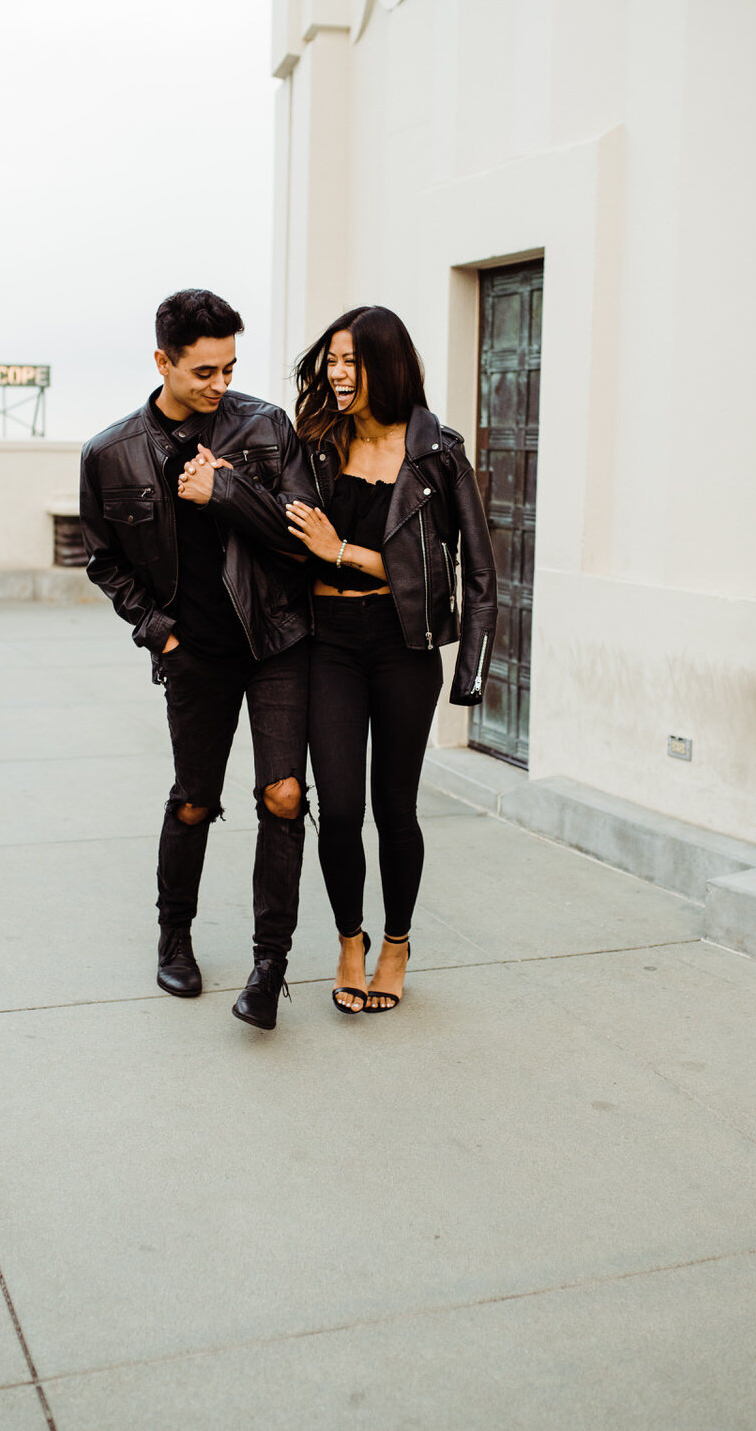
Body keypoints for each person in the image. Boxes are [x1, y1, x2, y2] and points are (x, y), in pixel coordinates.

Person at [80, 289, 317, 1030]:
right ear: (164, 361)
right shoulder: (110, 453)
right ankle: (174, 934)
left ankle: (269, 964)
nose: (221, 385)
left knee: (283, 797)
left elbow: (300, 536)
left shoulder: (266, 427)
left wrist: (227, 493)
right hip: (194, 655)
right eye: (204, 371)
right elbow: (103, 562)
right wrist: (161, 632)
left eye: (230, 368)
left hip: (277, 641)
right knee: (193, 799)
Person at [286, 306, 497, 1014]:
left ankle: (398, 944)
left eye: (352, 361)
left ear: (388, 365)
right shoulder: (315, 442)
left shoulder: (437, 455)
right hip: (328, 643)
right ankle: (352, 938)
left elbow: (471, 573)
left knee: (393, 808)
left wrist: (469, 675)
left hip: (402, 647)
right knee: (340, 809)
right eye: (332, 360)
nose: (337, 374)